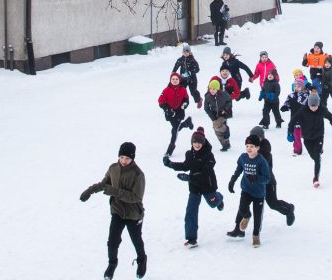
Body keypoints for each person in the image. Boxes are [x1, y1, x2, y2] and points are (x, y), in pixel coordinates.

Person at [79, 142, 147, 280]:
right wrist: (89, 191)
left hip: (133, 213)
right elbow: (104, 184)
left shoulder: (138, 174)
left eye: (127, 158)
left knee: (136, 240)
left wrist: (115, 191)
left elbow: (136, 197)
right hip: (117, 210)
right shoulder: (113, 168)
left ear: (132, 158)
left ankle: (142, 260)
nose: (123, 161)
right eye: (121, 157)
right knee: (112, 241)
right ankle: (112, 264)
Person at [162, 127, 224, 248]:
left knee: (213, 203)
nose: (197, 144)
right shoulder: (189, 154)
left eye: (199, 142)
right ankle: (192, 239)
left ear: (203, 142)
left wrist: (189, 178)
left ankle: (219, 199)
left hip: (207, 186)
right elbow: (185, 166)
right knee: (191, 211)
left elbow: (205, 172)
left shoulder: (209, 155)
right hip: (194, 187)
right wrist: (170, 164)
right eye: (195, 142)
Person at [225, 134, 272, 247]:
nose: (249, 148)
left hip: (259, 193)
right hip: (246, 189)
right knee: (242, 208)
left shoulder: (261, 161)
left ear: (257, 148)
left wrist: (256, 178)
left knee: (257, 216)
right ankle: (246, 216)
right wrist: (232, 181)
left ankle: (256, 236)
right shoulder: (243, 157)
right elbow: (238, 169)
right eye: (247, 146)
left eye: (252, 146)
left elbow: (267, 178)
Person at [286, 93, 332, 187]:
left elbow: (331, 117)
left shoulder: (322, 110)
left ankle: (316, 178)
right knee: (313, 156)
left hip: (318, 136)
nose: (313, 108)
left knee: (317, 157)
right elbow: (292, 121)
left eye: (315, 106)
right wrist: (290, 132)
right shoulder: (303, 110)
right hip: (307, 138)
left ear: (318, 104)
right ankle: (318, 154)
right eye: (311, 106)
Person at [248, 125, 295, 226]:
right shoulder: (252, 149)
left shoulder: (265, 151)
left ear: (262, 138)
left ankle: (289, 209)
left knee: (272, 203)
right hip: (255, 181)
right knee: (246, 201)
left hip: (268, 182)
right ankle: (239, 229)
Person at [158, 72, 194, 157]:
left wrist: (184, 104)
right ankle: (186, 123)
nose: (174, 81)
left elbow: (186, 99)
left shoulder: (183, 89)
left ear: (179, 80)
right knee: (176, 128)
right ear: (170, 80)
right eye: (173, 79)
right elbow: (160, 101)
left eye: (176, 79)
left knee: (174, 131)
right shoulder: (166, 90)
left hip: (179, 112)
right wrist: (167, 109)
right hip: (170, 113)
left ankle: (170, 149)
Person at [280, 72, 311, 155]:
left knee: (307, 135)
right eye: (295, 86)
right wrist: (285, 106)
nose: (297, 87)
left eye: (298, 86)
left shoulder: (306, 95)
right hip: (294, 119)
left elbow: (307, 104)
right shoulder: (291, 95)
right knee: (296, 136)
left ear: (302, 87)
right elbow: (287, 102)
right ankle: (297, 149)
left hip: (304, 119)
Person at [203, 77, 233, 151]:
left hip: (223, 113)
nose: (212, 90)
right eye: (211, 89)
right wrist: (212, 118)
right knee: (217, 131)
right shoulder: (207, 97)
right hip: (214, 114)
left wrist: (225, 109)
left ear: (217, 89)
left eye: (214, 89)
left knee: (216, 126)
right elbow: (206, 108)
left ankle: (226, 129)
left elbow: (229, 101)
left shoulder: (224, 94)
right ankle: (226, 145)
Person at [172, 43, 203, 108]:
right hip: (183, 79)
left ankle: (199, 100)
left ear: (189, 52)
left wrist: (189, 72)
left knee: (193, 92)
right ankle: (180, 102)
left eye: (187, 52)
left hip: (192, 79)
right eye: (184, 52)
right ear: (182, 52)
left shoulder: (192, 60)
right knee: (181, 90)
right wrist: (173, 72)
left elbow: (197, 69)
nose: (185, 53)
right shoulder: (180, 59)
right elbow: (176, 65)